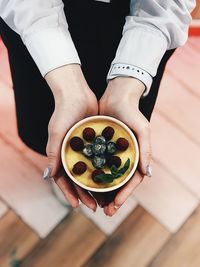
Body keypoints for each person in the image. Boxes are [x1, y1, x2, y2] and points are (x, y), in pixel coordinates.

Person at [0, 0, 195, 216]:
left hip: (129, 26)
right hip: (35, 18)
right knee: (44, 122)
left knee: (125, 120)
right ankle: (62, 165)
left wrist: (127, 88)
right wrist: (67, 85)